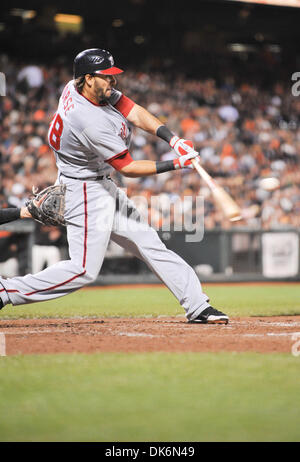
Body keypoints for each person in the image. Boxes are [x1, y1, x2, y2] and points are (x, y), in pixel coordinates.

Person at [0, 48, 228, 324]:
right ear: (87, 78)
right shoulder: (87, 119)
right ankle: (5, 290)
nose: (112, 81)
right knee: (83, 269)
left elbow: (133, 110)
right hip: (83, 192)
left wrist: (173, 139)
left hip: (100, 185)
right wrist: (176, 164)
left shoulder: (75, 88)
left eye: (112, 75)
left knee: (150, 244)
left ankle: (197, 306)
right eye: (105, 77)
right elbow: (128, 167)